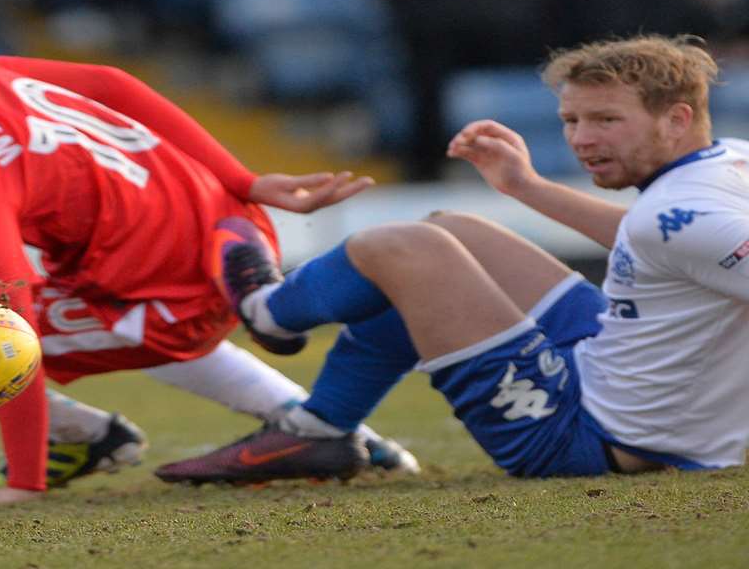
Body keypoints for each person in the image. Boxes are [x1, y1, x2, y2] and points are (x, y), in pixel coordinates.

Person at [0, 28, 416, 504]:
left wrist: (22, 483)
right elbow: (109, 83)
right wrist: (243, 180)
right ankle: (339, 429)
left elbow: (5, 320)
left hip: (170, 291)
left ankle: (78, 439)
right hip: (216, 222)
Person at [158, 35, 749, 482]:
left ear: (676, 119)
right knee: (454, 232)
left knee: (405, 248)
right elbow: (657, 239)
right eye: (572, 120)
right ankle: (317, 431)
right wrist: (525, 187)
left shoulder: (686, 219)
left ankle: (268, 311)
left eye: (605, 120)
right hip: (598, 366)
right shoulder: (726, 162)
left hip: (584, 439)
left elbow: (678, 235)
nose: (581, 139)